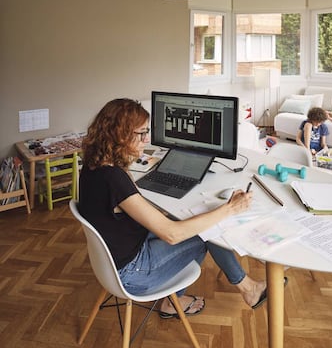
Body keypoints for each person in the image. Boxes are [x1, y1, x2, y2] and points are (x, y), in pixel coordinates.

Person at [79, 98, 267, 319]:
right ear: (119, 134)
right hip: (132, 272)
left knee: (193, 220)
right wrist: (230, 209)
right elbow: (172, 234)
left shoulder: (94, 165)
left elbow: (132, 207)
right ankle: (180, 301)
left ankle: (244, 285)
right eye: (141, 134)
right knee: (205, 232)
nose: (145, 139)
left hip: (114, 256)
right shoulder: (113, 178)